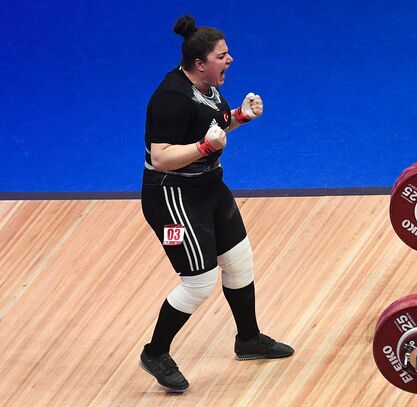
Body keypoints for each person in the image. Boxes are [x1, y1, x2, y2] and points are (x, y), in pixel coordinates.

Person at [139, 15, 294, 392]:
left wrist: (239, 117)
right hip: (172, 195)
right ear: (199, 63)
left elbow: (214, 128)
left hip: (209, 187)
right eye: (222, 56)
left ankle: (248, 340)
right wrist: (206, 147)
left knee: (239, 262)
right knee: (198, 281)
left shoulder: (208, 87)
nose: (230, 60)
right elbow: (160, 156)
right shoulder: (171, 98)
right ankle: (155, 352)